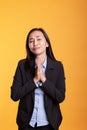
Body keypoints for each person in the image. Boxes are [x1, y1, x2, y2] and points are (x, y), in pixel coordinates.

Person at [11, 28, 66, 130]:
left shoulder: (58, 67)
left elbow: (60, 97)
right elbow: (15, 95)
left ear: (47, 43)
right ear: (28, 46)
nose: (35, 43)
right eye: (31, 41)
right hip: (26, 124)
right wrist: (35, 81)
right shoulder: (22, 65)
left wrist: (44, 80)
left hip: (49, 125)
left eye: (38, 39)